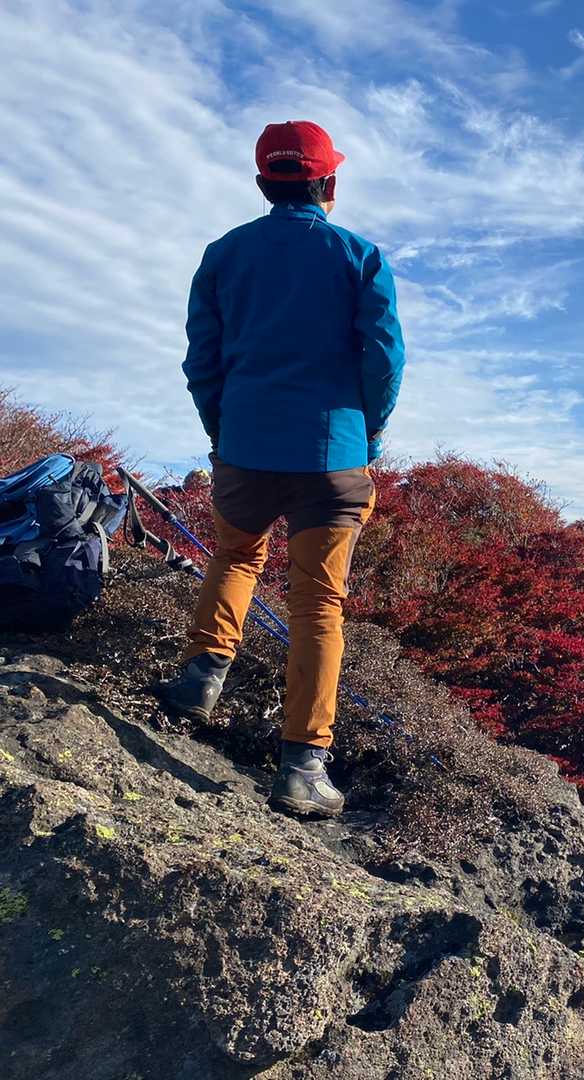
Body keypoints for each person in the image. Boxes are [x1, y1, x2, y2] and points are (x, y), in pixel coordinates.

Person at [156, 120, 405, 819]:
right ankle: (302, 768)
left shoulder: (223, 255)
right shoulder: (359, 255)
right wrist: (369, 432)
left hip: (245, 444)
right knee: (318, 603)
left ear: (264, 183)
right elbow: (385, 359)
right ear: (330, 181)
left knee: (236, 555)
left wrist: (223, 429)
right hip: (333, 454)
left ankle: (200, 679)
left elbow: (201, 360)